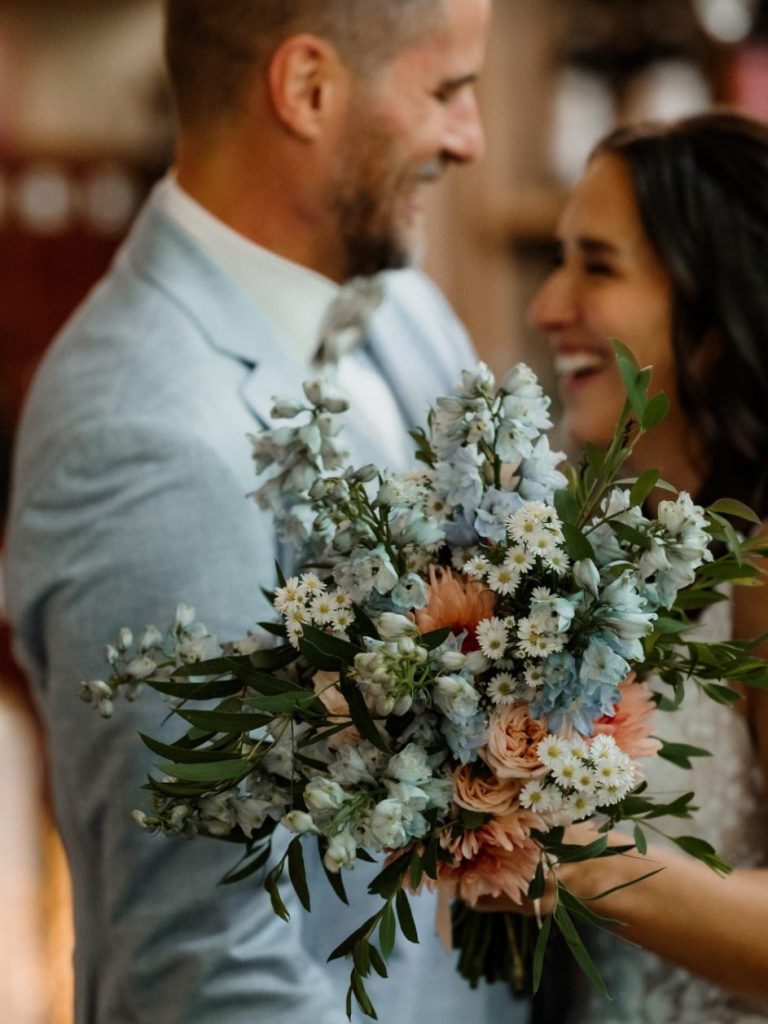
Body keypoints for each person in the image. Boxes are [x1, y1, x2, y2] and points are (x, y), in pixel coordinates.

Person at [3, 3, 534, 1024]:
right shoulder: (141, 430)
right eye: (444, 91)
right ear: (308, 91)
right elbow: (203, 961)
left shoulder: (400, 299)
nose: (469, 137)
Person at [518, 110, 768, 1022]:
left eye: (599, 265)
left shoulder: (762, 565)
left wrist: (560, 851)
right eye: (559, 259)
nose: (549, 306)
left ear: (711, 302)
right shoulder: (598, 556)